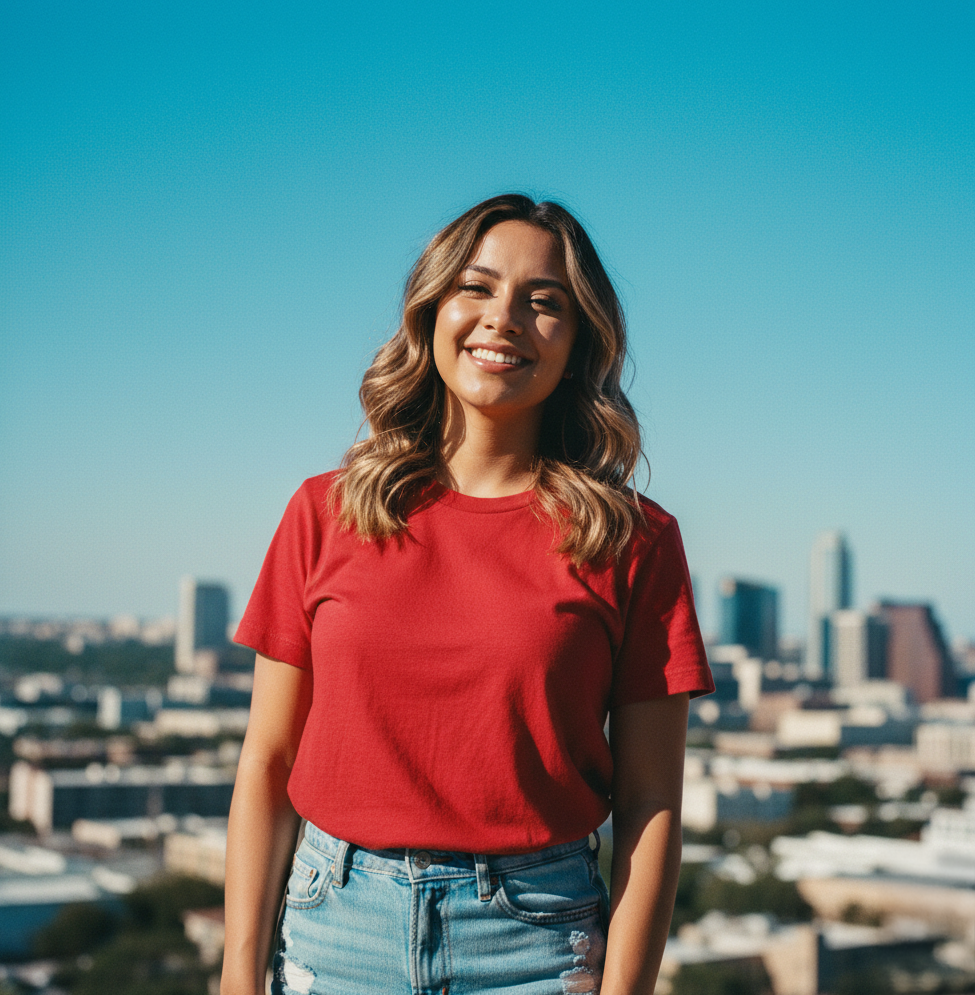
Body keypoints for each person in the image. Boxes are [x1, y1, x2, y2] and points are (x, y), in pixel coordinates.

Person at [221, 194, 713, 995]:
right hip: (334, 931)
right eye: (476, 288)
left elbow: (651, 801)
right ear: (433, 310)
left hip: (535, 944)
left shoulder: (634, 540)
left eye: (543, 301)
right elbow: (268, 759)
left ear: (579, 340)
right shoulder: (323, 512)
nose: (504, 318)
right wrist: (236, 973)